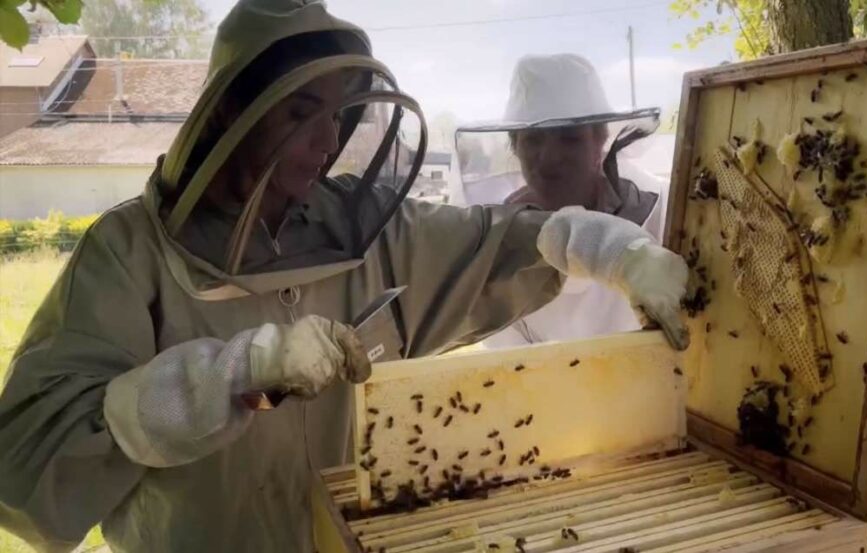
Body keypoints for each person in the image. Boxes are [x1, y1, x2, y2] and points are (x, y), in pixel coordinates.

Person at [0, 0, 689, 551]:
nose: (327, 142)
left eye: (337, 116)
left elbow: (499, 241)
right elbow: (28, 470)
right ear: (232, 112)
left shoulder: (363, 227)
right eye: (303, 113)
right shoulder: (126, 254)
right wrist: (226, 377)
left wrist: (614, 251)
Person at [452, 53, 672, 347]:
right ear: (515, 147)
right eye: (533, 139)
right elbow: (510, 366)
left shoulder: (665, 214)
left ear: (600, 140)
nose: (551, 157)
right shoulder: (496, 246)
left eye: (569, 138)